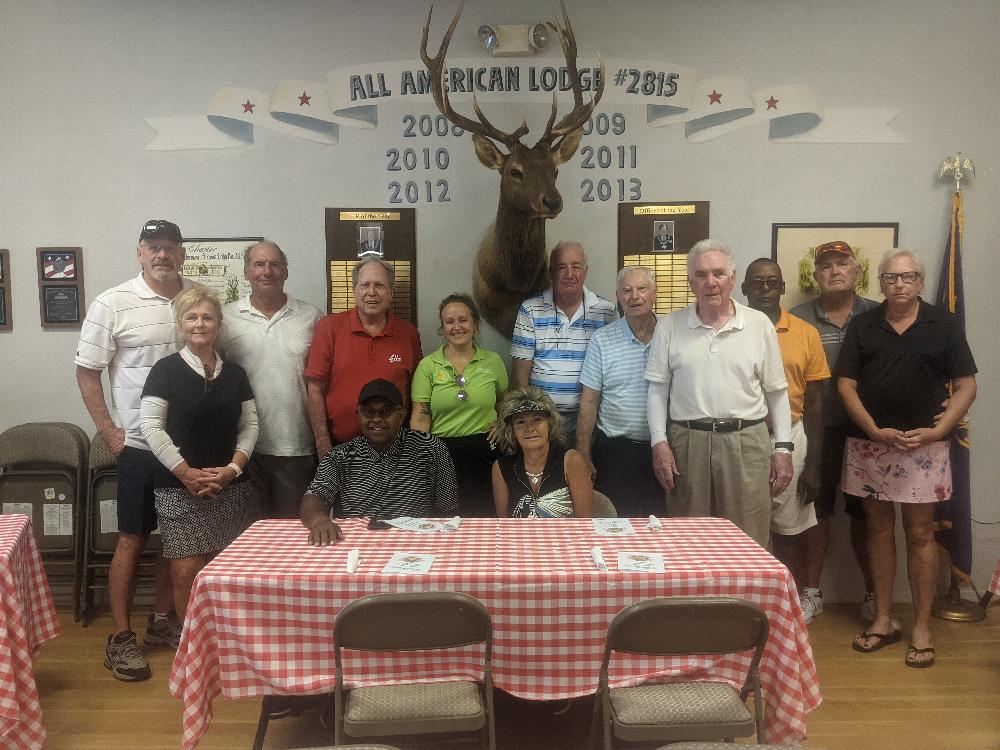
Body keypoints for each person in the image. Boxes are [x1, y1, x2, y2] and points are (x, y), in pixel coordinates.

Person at [838, 249, 976, 668]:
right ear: (879, 282)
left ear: (919, 281)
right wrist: (872, 429)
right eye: (891, 278)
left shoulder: (943, 325)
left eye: (908, 277)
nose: (899, 284)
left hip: (925, 447)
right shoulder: (863, 325)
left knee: (920, 535)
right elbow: (846, 386)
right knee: (878, 530)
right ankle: (883, 619)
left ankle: (920, 626)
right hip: (871, 445)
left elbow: (966, 385)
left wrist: (941, 428)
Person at [75, 218, 190, 682]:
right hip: (140, 447)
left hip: (187, 449)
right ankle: (120, 638)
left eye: (170, 247)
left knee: (179, 539)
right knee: (133, 537)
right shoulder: (112, 302)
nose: (162, 255)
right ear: (140, 253)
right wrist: (108, 430)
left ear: (183, 253)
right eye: (153, 247)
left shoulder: (195, 299)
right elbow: (87, 371)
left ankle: (163, 622)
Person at [645, 239, 793, 547]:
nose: (710, 282)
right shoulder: (670, 326)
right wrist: (659, 443)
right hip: (687, 443)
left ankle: (745, 598)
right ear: (690, 282)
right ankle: (693, 596)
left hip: (747, 441)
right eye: (701, 275)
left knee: (748, 537)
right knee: (688, 538)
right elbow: (657, 390)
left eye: (718, 273)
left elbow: (777, 393)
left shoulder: (758, 324)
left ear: (732, 279)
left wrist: (783, 449)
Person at [139, 286, 258, 620]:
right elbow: (150, 426)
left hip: (230, 488)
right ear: (181, 323)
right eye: (191, 317)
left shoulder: (235, 374)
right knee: (185, 571)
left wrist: (232, 470)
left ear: (218, 324)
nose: (199, 324)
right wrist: (185, 473)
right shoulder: (164, 370)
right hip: (178, 488)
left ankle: (226, 642)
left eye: (207, 317)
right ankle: (191, 648)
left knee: (227, 572)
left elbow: (250, 426)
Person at [790, 240, 879, 621]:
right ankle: (811, 592)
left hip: (868, 434)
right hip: (817, 432)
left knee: (867, 515)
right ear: (816, 275)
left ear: (857, 271)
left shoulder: (878, 315)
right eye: (826, 266)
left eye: (842, 264)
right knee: (815, 512)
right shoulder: (797, 318)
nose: (835, 271)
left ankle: (875, 594)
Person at [742, 259, 830, 621]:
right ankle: (748, 601)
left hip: (789, 436)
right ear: (744, 288)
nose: (765, 289)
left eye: (772, 282)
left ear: (781, 287)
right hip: (743, 436)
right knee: (743, 525)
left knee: (789, 528)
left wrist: (812, 466)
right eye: (757, 283)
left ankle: (785, 606)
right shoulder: (731, 327)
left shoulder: (805, 333)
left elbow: (816, 403)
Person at [218, 241, 323, 519]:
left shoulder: (311, 317)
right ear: (246, 271)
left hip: (296, 446)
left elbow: (323, 382)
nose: (267, 271)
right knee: (247, 535)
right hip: (242, 449)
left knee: (293, 531)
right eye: (259, 264)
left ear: (286, 271)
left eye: (275, 264)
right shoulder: (226, 319)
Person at [301, 379, 459, 546]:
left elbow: (448, 510)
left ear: (402, 415)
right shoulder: (341, 456)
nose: (376, 419)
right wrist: (319, 520)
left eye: (385, 412)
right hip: (355, 545)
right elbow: (315, 495)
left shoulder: (430, 448)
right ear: (358, 415)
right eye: (368, 412)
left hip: (416, 543)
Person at [305, 258, 422, 457]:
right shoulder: (329, 328)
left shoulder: (408, 333)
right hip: (339, 448)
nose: (371, 292)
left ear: (391, 292)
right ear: (355, 290)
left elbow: (417, 391)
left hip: (394, 450)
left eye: (380, 285)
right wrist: (322, 441)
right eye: (364, 285)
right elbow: (315, 389)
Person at [576, 266, 665, 517]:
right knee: (615, 524)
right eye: (626, 291)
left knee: (660, 522)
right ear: (618, 297)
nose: (634, 296)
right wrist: (584, 454)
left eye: (642, 289)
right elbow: (589, 401)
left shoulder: (671, 334)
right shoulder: (602, 340)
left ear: (654, 293)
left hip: (663, 449)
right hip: (615, 451)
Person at [410, 293, 508, 517]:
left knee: (484, 515)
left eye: (463, 320)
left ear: (475, 324)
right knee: (444, 518)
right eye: (450, 321)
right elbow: (420, 415)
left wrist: (503, 424)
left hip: (485, 450)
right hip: (441, 451)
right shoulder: (428, 366)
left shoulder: (493, 362)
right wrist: (420, 455)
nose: (457, 327)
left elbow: (505, 403)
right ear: (443, 328)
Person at [510, 241, 616, 443]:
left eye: (576, 266)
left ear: (586, 271)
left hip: (589, 420)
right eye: (561, 267)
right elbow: (520, 375)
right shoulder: (530, 310)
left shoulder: (606, 311)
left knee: (583, 472)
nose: (569, 274)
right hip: (542, 421)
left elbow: (613, 370)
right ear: (551, 272)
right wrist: (529, 420)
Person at [492, 387, 595, 518]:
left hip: (566, 538)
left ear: (550, 424)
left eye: (537, 419)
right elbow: (503, 524)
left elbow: (585, 522)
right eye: (520, 422)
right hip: (518, 538)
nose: (530, 428)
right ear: (511, 430)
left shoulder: (571, 461)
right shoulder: (501, 467)